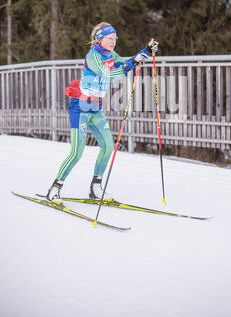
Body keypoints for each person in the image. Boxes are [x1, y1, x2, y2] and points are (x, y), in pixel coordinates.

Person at [46, 22, 158, 203]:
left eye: (115, 38)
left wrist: (145, 51)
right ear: (99, 38)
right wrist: (131, 65)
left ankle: (95, 188)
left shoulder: (111, 54)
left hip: (95, 108)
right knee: (77, 152)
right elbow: (109, 75)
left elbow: (126, 60)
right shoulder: (92, 56)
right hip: (81, 107)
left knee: (108, 147)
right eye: (110, 38)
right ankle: (54, 189)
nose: (113, 41)